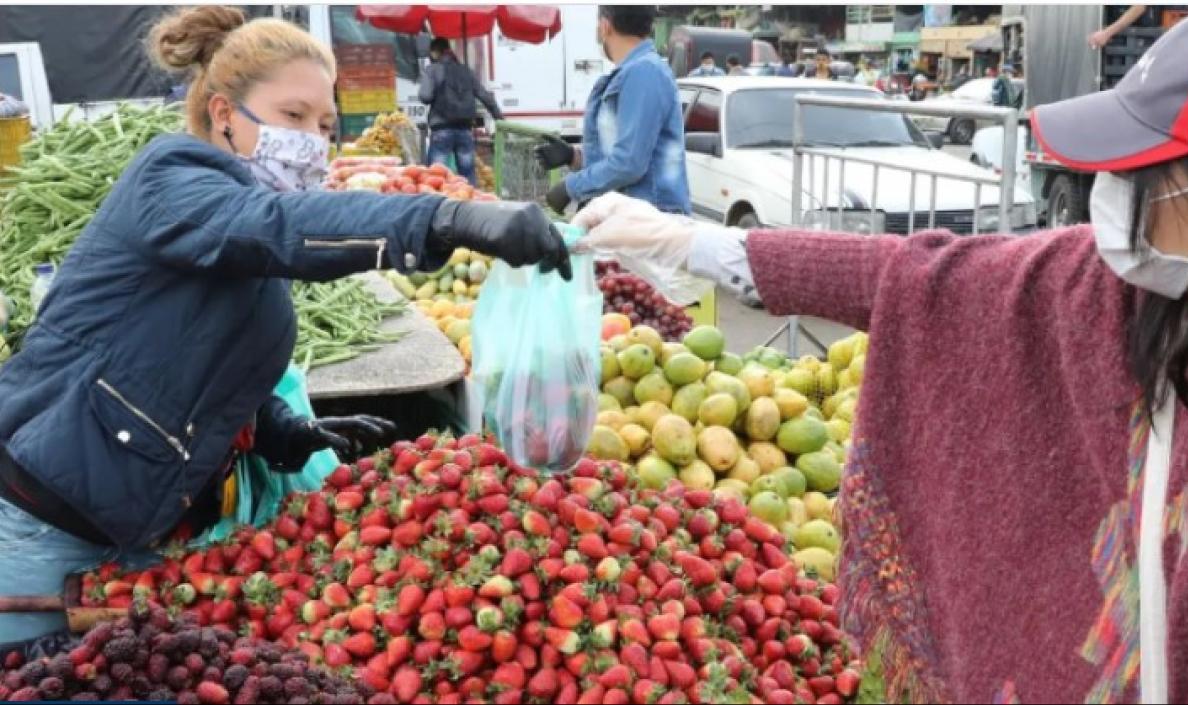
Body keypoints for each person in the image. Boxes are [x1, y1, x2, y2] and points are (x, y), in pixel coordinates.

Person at [573, 7, 1188, 702]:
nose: (1107, 189)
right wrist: (695, 243)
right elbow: (917, 278)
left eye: (1140, 171)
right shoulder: (1118, 288)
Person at [0, 6, 570, 644]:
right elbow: (273, 226)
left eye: (325, 124)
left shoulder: (246, 244)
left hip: (135, 528)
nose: (312, 140)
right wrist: (447, 220)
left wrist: (280, 431)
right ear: (222, 115)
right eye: (292, 117)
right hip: (43, 518)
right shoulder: (171, 181)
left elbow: (196, 356)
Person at [532, 6, 689, 215]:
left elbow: (629, 163)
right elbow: (622, 152)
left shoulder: (644, 72)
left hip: (651, 222)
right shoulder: (631, 72)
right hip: (633, 219)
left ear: (605, 26)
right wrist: (573, 156)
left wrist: (572, 187)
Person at [419, 37, 504, 187]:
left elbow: (425, 97)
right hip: (464, 130)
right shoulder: (466, 71)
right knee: (467, 177)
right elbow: (484, 95)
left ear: (434, 52)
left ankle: (437, 207)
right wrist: (499, 118)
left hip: (441, 129)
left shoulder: (432, 70)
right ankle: (470, 206)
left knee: (435, 177)